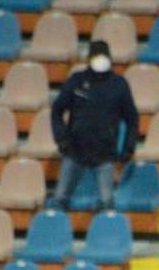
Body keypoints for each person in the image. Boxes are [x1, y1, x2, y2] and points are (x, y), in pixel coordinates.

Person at [48, 40, 139, 213]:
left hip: (104, 154)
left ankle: (106, 238)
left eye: (104, 56)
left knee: (106, 204)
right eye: (97, 56)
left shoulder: (119, 85)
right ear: (89, 58)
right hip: (74, 151)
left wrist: (128, 148)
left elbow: (132, 118)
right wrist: (61, 139)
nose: (101, 60)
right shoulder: (76, 81)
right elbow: (57, 110)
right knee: (59, 200)